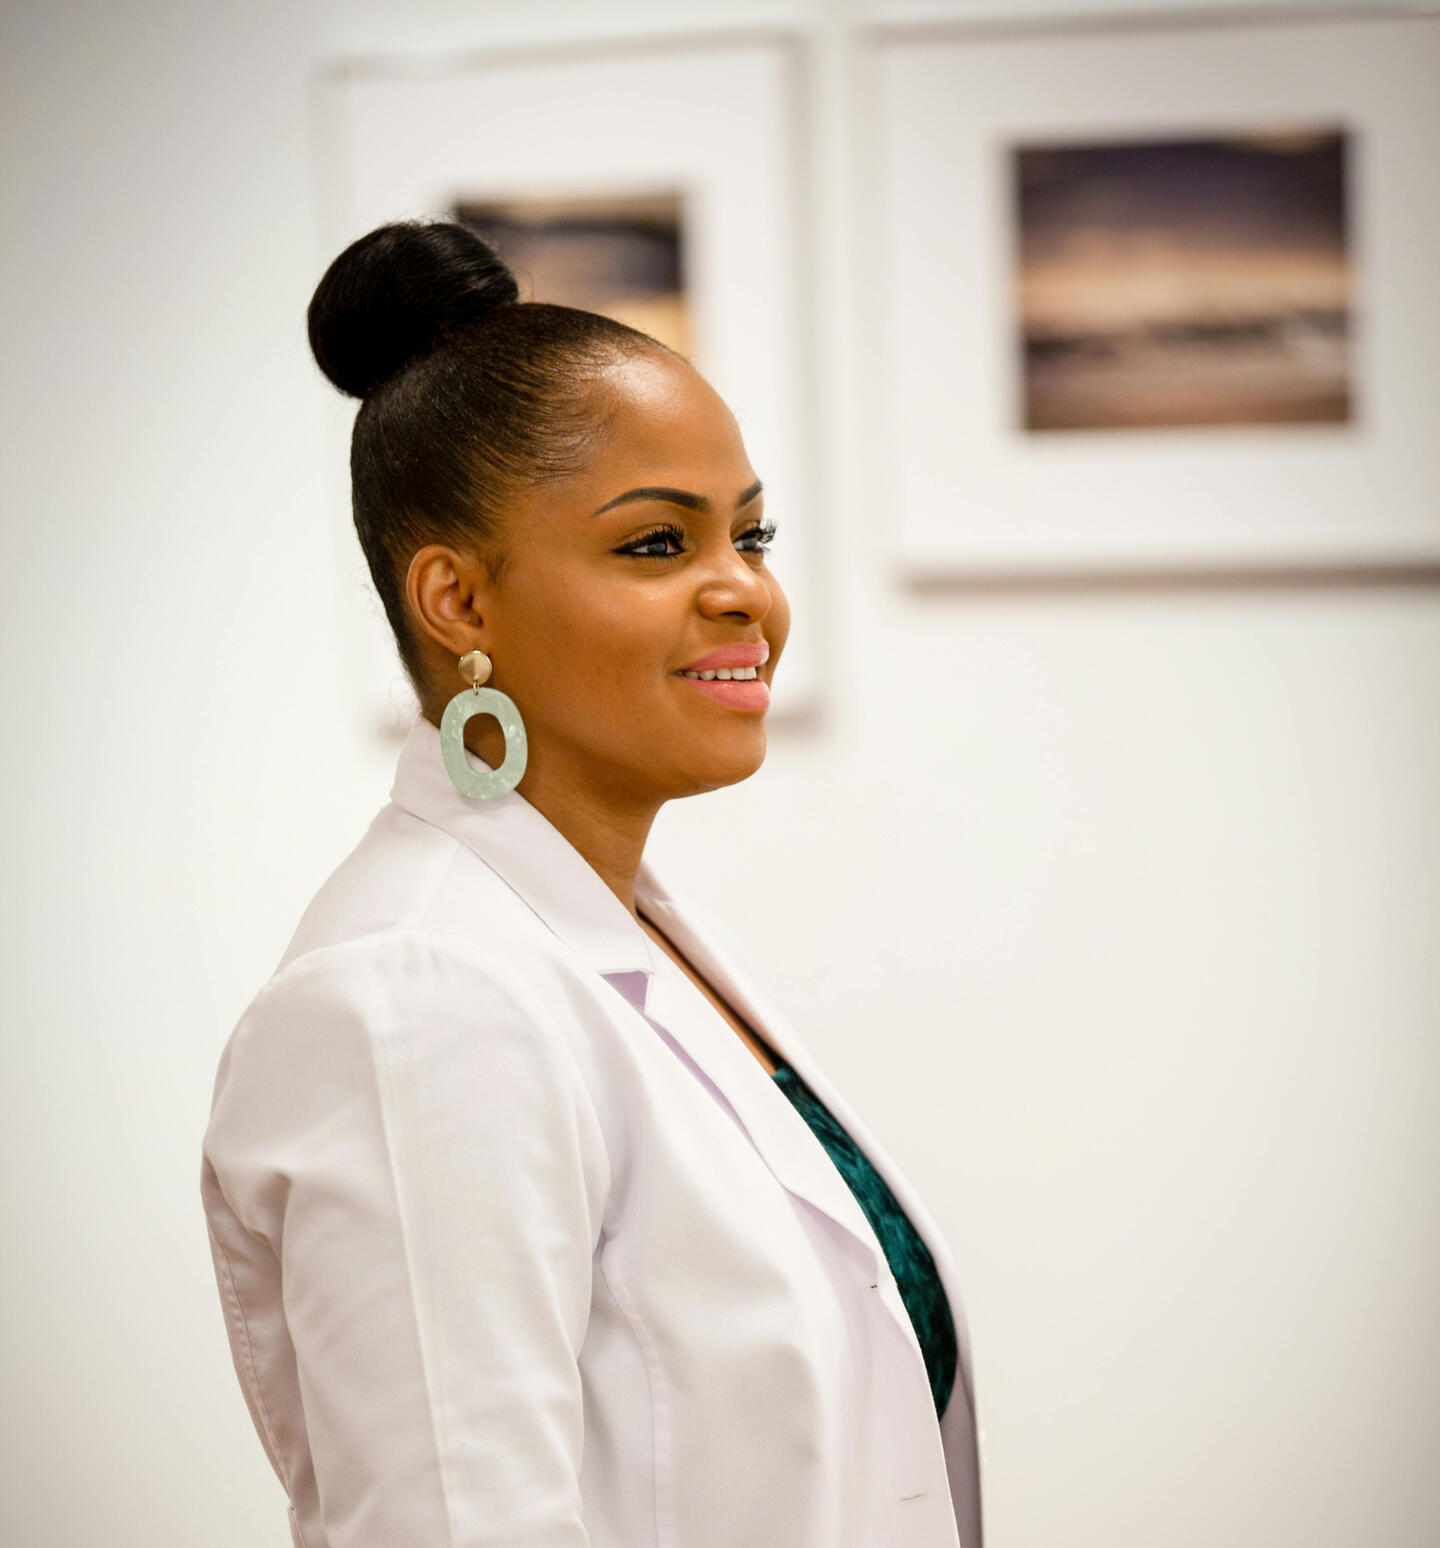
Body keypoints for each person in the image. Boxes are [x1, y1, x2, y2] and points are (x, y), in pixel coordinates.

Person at [199, 219, 983, 1548]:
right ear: (458, 602)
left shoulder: (624, 932)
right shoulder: (412, 1001)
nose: (747, 595)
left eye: (752, 534)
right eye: (657, 545)